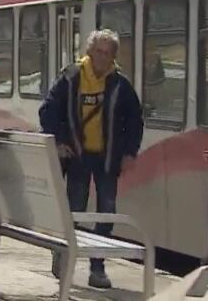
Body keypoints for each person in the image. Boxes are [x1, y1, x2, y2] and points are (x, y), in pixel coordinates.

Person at [38, 29, 144, 289]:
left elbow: (135, 120)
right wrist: (61, 141)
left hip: (107, 159)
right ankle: (63, 256)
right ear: (89, 52)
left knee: (107, 212)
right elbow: (48, 111)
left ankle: (98, 267)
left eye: (108, 53)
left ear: (113, 58)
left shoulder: (120, 84)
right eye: (98, 51)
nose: (102, 57)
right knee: (75, 210)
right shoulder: (71, 77)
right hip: (78, 158)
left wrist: (130, 152)